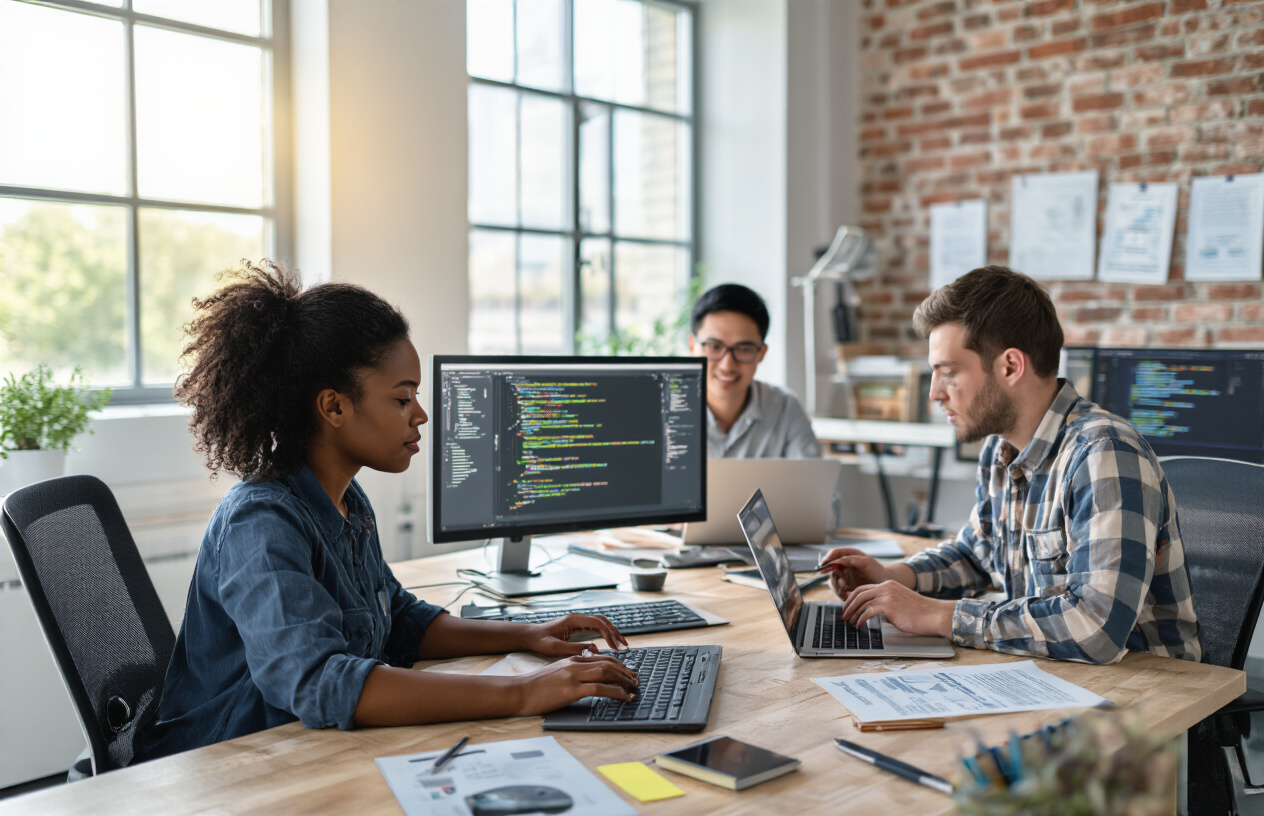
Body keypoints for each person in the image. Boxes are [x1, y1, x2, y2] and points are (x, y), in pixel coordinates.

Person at [138, 261, 636, 761]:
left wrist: (528, 634)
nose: (420, 414)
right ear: (333, 407)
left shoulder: (348, 502)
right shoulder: (261, 524)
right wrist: (525, 692)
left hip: (309, 752)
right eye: (403, 398)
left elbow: (398, 620)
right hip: (234, 765)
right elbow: (318, 683)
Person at [821, 265, 1201, 665]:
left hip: (1146, 698)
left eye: (948, 372)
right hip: (1052, 678)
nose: (934, 393)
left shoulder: (1103, 453)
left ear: (1010, 367)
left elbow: (1096, 630)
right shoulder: (1000, 450)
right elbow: (976, 553)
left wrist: (937, 614)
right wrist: (895, 578)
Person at [688, 283, 821, 459]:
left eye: (743, 349)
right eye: (714, 347)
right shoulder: (662, 409)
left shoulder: (785, 408)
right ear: (692, 346)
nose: (727, 365)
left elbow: (813, 484)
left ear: (761, 353)